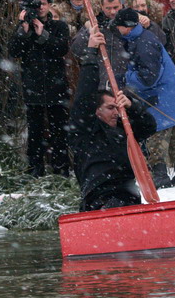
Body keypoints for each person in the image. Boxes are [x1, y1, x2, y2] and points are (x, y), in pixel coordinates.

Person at [68, 27, 158, 211]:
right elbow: (84, 95)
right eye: (110, 108)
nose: (116, 112)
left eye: (117, 108)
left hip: (128, 196)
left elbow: (149, 126)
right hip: (99, 198)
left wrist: (132, 107)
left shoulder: (123, 128)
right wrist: (91, 54)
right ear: (96, 111)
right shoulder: (85, 131)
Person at [111, 8, 175, 188]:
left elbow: (148, 78)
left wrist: (125, 78)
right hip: (172, 95)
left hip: (159, 98)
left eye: (118, 26)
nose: (116, 29)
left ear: (127, 27)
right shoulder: (142, 38)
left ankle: (160, 175)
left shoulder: (143, 43)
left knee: (156, 135)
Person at [8, 0, 71, 177]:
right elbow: (14, 51)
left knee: (58, 130)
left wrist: (43, 33)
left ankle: (61, 169)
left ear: (50, 5)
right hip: (32, 86)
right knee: (35, 131)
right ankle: (35, 169)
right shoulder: (23, 26)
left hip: (56, 86)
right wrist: (24, 30)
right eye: (36, 4)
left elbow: (61, 49)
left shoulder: (59, 26)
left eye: (43, 3)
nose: (40, 7)